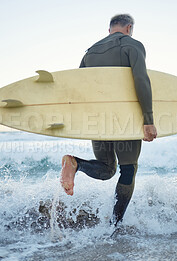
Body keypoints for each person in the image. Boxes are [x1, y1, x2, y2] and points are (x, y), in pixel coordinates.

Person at [61, 14, 157, 226]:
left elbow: (80, 87)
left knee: (106, 168)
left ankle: (76, 163)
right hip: (125, 117)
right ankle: (116, 224)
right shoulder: (133, 45)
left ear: (109, 30)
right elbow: (141, 79)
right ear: (129, 28)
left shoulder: (90, 51)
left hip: (98, 118)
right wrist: (148, 119)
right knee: (128, 169)